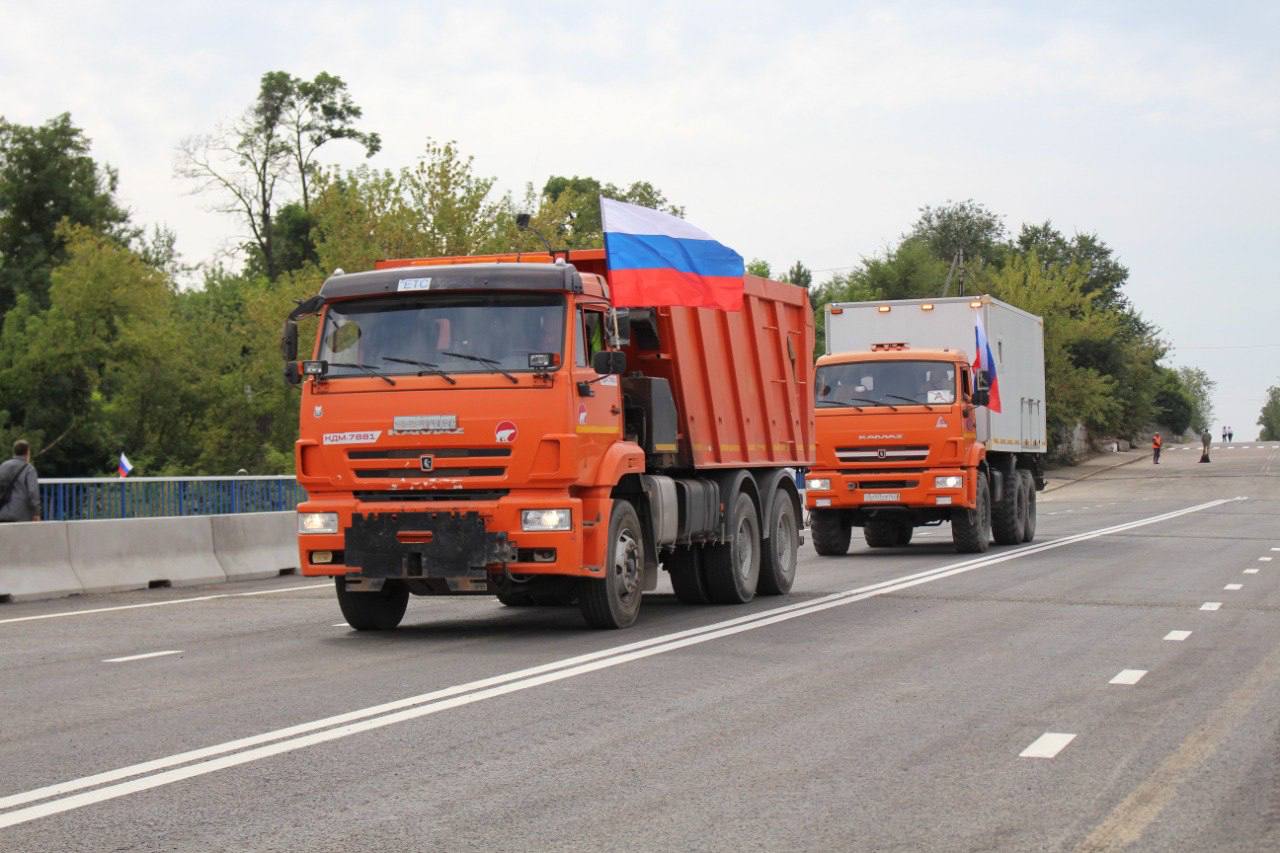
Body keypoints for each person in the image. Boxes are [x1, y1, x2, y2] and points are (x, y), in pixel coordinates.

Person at [0, 439, 41, 522]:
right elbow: (33, 492)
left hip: (2, 511)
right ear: (27, 452)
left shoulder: (3, 466)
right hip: (22, 514)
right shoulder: (29, 469)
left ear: (14, 452)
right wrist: (36, 513)